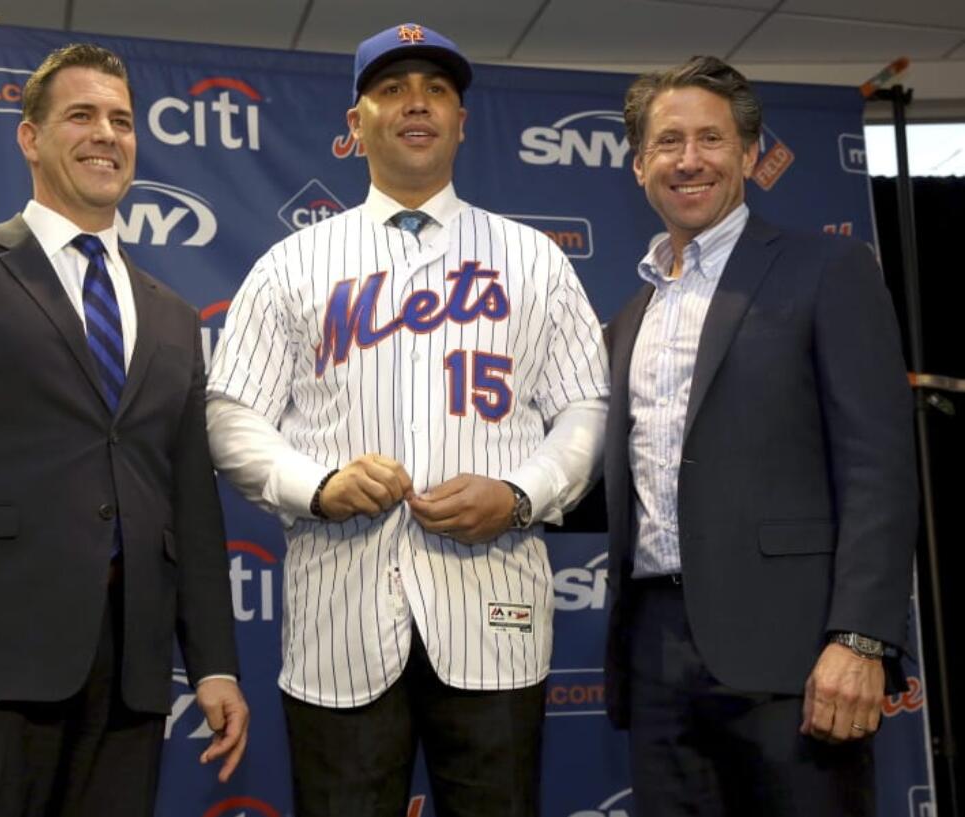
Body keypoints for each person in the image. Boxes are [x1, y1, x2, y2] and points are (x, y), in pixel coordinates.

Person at [206, 22, 609, 817]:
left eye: (436, 90)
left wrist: (521, 493)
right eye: (390, 89)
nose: (415, 104)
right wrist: (316, 483)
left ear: (461, 120)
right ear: (355, 126)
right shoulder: (291, 263)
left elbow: (583, 410)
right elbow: (231, 414)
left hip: (494, 610)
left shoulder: (534, 259)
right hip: (341, 617)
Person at [0, 43, 247, 817]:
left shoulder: (170, 312)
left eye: (122, 120)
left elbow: (189, 501)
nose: (107, 134)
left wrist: (215, 665)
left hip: (130, 674)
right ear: (30, 138)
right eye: (82, 115)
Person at [603, 55, 918, 816]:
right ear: (640, 162)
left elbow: (879, 464)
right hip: (655, 653)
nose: (689, 160)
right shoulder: (628, 317)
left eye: (710, 139)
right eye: (667, 142)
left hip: (797, 650)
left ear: (747, 155)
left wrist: (862, 638)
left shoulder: (828, 268)